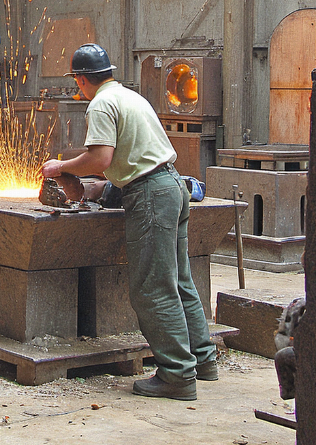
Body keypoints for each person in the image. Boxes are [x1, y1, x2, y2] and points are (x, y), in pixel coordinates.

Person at [41, 43, 217, 401]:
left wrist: (61, 167)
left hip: (152, 197)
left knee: (152, 289)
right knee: (179, 281)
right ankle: (202, 360)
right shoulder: (129, 96)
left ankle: (177, 376)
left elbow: (101, 157)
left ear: (80, 79)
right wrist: (90, 190)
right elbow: (134, 161)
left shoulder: (101, 103)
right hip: (172, 186)